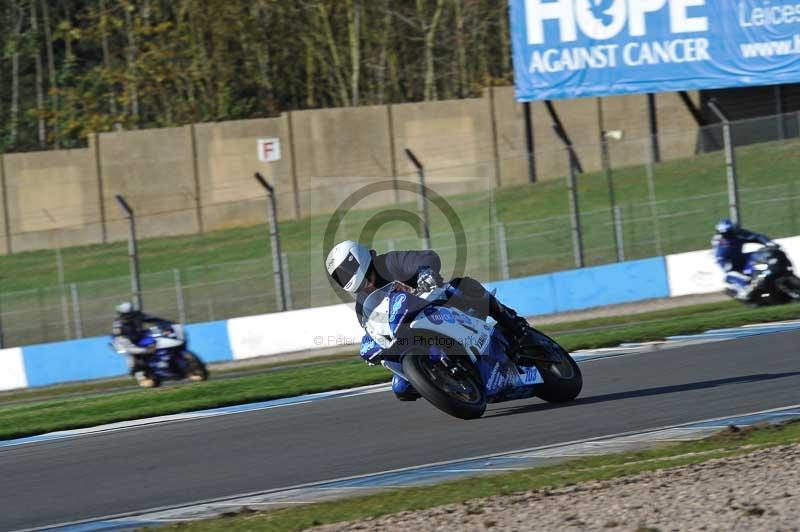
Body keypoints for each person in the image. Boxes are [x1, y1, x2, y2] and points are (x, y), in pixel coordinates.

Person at [325, 240, 532, 401]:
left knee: (464, 285)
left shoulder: (389, 263)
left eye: (344, 272)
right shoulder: (362, 305)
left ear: (356, 260)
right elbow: (372, 329)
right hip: (410, 336)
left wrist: (425, 272)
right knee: (401, 388)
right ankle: (447, 385)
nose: (344, 278)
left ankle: (512, 320)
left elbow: (427, 258)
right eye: (339, 277)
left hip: (437, 305)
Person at [712, 219, 777, 302]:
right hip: (730, 263)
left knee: (758, 255)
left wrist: (769, 243)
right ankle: (745, 289)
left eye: (730, 232)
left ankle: (767, 274)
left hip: (741, 258)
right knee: (730, 273)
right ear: (721, 233)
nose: (730, 235)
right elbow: (720, 259)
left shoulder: (739, 234)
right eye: (726, 234)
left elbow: (756, 236)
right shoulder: (719, 243)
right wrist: (726, 265)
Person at [110, 302, 170, 386]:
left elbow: (152, 319)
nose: (126, 317)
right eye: (124, 314)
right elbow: (121, 341)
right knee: (130, 353)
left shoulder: (137, 315)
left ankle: (162, 365)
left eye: (128, 314)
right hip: (124, 341)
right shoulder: (118, 324)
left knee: (156, 341)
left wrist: (166, 324)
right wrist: (146, 350)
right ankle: (139, 375)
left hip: (139, 336)